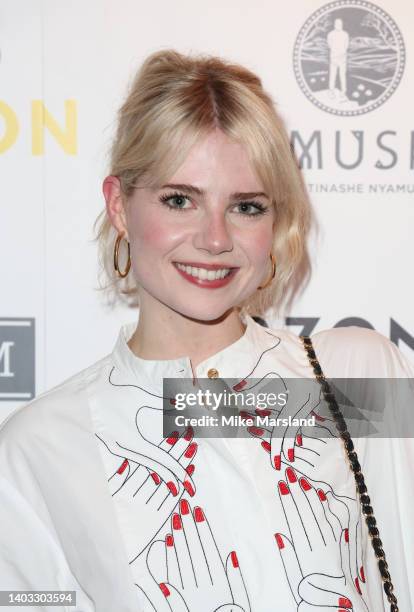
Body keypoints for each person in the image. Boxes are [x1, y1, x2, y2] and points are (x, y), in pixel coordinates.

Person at [0, 49, 413, 612]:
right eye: (179, 200)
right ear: (120, 206)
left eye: (246, 206)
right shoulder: (41, 445)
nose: (215, 239)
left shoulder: (357, 375)